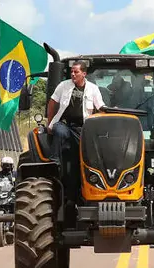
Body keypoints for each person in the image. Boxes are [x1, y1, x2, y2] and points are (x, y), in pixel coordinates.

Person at [46, 61, 105, 217]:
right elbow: (53, 103)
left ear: (84, 74)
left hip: (83, 127)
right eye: (71, 72)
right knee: (59, 132)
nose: (73, 74)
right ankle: (54, 163)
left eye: (76, 72)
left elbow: (101, 108)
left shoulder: (93, 89)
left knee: (82, 158)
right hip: (65, 123)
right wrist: (49, 123)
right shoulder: (63, 86)